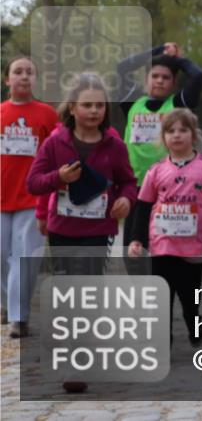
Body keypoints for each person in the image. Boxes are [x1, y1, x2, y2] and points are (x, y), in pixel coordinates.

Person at [27, 73, 137, 393]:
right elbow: (33, 183)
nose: (94, 111)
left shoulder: (114, 144)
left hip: (98, 230)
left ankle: (77, 363)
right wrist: (58, 178)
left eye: (99, 105)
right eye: (87, 105)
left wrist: (125, 200)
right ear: (72, 108)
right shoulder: (55, 143)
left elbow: (128, 182)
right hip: (62, 229)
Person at [128, 108, 202, 348]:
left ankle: (194, 323)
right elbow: (143, 205)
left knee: (189, 296)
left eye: (183, 130)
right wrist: (137, 239)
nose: (177, 135)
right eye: (171, 131)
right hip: (162, 243)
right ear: (163, 138)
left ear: (194, 136)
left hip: (192, 245)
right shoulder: (156, 170)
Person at [116, 43, 202, 260]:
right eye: (154, 76)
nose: (160, 81)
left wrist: (176, 60)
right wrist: (158, 51)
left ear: (174, 83)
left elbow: (198, 76)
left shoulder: (177, 105)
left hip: (168, 187)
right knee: (132, 252)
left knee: (163, 249)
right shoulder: (133, 103)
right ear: (147, 80)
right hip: (135, 184)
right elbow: (122, 67)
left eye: (166, 77)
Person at [1, 56, 59, 338]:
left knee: (25, 258)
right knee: (1, 257)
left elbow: (59, 151)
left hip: (32, 198)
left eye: (30, 72)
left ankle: (18, 317)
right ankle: (7, 302)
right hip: (1, 198)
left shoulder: (47, 114)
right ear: (7, 80)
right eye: (18, 72)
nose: (24, 76)